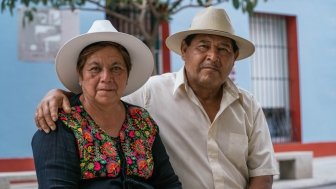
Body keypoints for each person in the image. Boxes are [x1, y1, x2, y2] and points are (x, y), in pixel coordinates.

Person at [35, 7, 279, 189]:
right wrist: (60, 94)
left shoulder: (249, 107)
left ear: (234, 58)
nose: (213, 57)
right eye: (203, 46)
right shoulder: (152, 92)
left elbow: (263, 174)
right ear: (184, 50)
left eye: (223, 49)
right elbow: (103, 95)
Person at [32, 20, 182, 189]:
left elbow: (168, 184)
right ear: (80, 76)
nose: (106, 77)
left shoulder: (141, 121)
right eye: (95, 68)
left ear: (127, 75)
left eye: (116, 68)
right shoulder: (60, 126)